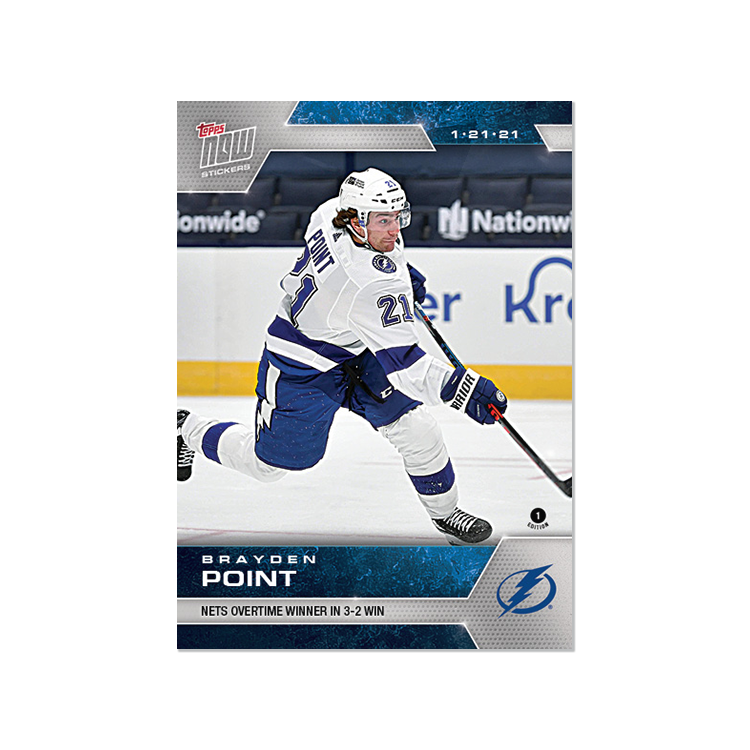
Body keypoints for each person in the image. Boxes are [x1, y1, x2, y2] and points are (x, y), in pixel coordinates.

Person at [177, 168, 508, 545]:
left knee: (418, 428)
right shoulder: (367, 283)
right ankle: (187, 428)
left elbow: (370, 266)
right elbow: (408, 369)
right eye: (383, 221)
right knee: (268, 466)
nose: (395, 230)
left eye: (398, 217)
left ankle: (446, 516)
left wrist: (402, 272)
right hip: (302, 366)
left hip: (355, 348)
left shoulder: (329, 212)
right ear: (355, 221)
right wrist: (464, 389)